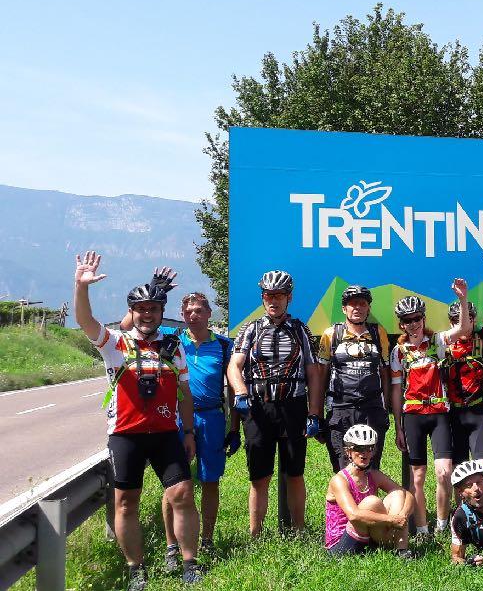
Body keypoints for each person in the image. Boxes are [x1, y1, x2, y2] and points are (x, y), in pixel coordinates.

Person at [73, 251, 202, 590]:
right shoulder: (116, 343)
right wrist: (81, 286)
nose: (147, 314)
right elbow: (85, 321)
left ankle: (190, 563)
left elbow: (185, 394)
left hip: (165, 433)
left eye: (153, 309)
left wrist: (189, 431)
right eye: (141, 309)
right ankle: (136, 569)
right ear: (132, 312)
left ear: (161, 312)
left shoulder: (173, 347)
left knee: (183, 494)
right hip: (125, 435)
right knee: (126, 503)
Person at [119, 274, 240, 566]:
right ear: (182, 315)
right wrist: (154, 290)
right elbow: (127, 328)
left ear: (209, 313)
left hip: (211, 417)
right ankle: (172, 546)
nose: (193, 315)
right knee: (173, 485)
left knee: (210, 481)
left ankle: (207, 540)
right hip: (175, 418)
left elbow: (232, 388)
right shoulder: (172, 341)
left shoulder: (224, 345)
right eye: (188, 311)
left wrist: (234, 427)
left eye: (199, 310)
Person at [227, 270, 325, 537]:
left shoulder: (300, 329)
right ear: (262, 297)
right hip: (258, 407)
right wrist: (241, 392)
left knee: (295, 473)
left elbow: (313, 372)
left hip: (293, 406)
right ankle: (255, 534)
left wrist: (314, 413)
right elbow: (234, 366)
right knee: (259, 477)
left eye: (279, 296)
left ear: (288, 298)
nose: (274, 301)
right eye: (269, 296)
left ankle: (299, 530)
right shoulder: (250, 329)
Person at [389, 278, 470, 537]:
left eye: (417, 319)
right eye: (408, 320)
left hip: (438, 415)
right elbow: (395, 390)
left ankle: (443, 526)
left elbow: (464, 327)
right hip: (412, 416)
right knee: (418, 477)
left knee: (444, 473)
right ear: (401, 324)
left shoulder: (438, 341)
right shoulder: (398, 351)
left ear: (423, 319)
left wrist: (463, 299)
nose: (413, 324)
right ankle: (423, 530)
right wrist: (398, 425)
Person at [316, 285, 397, 473]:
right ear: (344, 308)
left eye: (362, 304)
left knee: (370, 468)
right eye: (353, 304)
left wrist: (384, 409)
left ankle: (369, 495)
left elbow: (384, 373)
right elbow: (321, 377)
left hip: (372, 409)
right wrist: (318, 416)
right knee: (343, 469)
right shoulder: (331, 334)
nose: (358, 308)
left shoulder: (378, 333)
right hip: (340, 409)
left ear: (368, 308)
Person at [446, 245, 483, 482]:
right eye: (456, 320)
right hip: (453, 413)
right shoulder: (444, 344)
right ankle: (461, 507)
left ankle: (482, 506)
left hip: (478, 411)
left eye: (468, 318)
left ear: (473, 320)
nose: (462, 323)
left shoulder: (481, 337)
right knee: (458, 476)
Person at [325, 424, 415, 558]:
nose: (364, 453)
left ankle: (401, 550)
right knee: (372, 502)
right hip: (341, 545)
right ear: (348, 451)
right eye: (359, 448)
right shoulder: (339, 480)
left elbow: (407, 495)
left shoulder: (374, 475)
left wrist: (403, 515)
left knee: (398, 494)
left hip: (368, 537)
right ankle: (392, 545)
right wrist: (391, 520)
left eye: (369, 448)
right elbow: (354, 515)